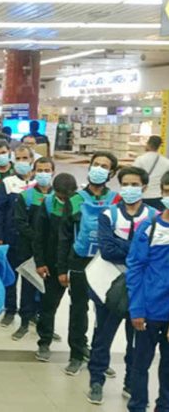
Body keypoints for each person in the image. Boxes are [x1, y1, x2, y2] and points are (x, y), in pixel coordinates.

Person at [87, 166, 156, 404]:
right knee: (102, 336)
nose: (129, 189)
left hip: (140, 288)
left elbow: (155, 253)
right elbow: (107, 250)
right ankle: (96, 380)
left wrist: (123, 246)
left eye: (134, 184)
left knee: (136, 339)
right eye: (125, 184)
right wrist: (138, 250)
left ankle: (130, 382)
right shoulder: (109, 215)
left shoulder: (154, 217)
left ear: (144, 187)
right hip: (107, 284)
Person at [58, 151, 120, 376]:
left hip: (106, 263)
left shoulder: (116, 200)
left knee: (104, 311)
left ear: (111, 173)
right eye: (96, 164)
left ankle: (99, 357)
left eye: (104, 166)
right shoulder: (75, 199)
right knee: (78, 308)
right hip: (79, 261)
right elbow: (64, 236)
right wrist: (62, 268)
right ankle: (76, 354)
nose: (99, 169)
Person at [125, 170, 169, 412]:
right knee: (140, 364)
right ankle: (137, 406)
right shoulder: (149, 228)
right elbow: (135, 270)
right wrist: (137, 309)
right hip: (149, 311)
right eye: (167, 192)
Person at [33, 173, 78, 362]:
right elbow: (39, 235)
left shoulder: (80, 203)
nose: (64, 199)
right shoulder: (48, 204)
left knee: (79, 309)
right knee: (48, 304)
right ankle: (44, 341)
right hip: (51, 263)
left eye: (67, 196)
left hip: (76, 263)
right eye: (61, 196)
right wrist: (40, 262)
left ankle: (79, 348)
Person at [0, 146, 37, 333]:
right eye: (18, 158)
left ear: (32, 160)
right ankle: (10, 309)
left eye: (25, 158)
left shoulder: (38, 184)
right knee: (10, 277)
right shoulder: (8, 183)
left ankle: (29, 314)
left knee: (30, 279)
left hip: (32, 241)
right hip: (11, 237)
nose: (21, 162)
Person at [133, 135, 169, 210]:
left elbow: (133, 176)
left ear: (148, 144)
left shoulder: (140, 160)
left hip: (142, 195)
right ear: (159, 146)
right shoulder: (166, 162)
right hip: (159, 196)